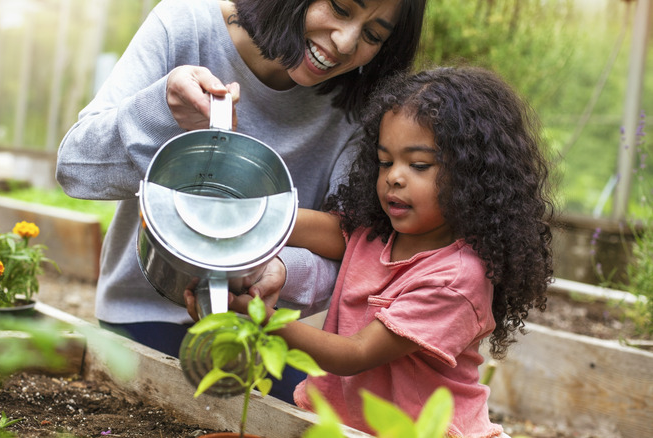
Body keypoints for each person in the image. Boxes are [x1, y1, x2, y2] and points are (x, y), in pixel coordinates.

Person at [187, 66, 554, 436]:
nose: (394, 176)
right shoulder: (378, 232)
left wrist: (263, 322)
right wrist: (248, 218)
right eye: (385, 161)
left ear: (473, 177)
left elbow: (356, 354)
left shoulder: (457, 278)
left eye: (419, 165)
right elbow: (325, 230)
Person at [56, 0, 426, 367]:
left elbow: (352, 250)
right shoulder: (187, 25)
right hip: (141, 314)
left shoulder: (358, 109)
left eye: (373, 35)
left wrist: (282, 268)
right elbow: (76, 169)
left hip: (260, 334)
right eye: (341, 9)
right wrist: (163, 110)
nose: (345, 42)